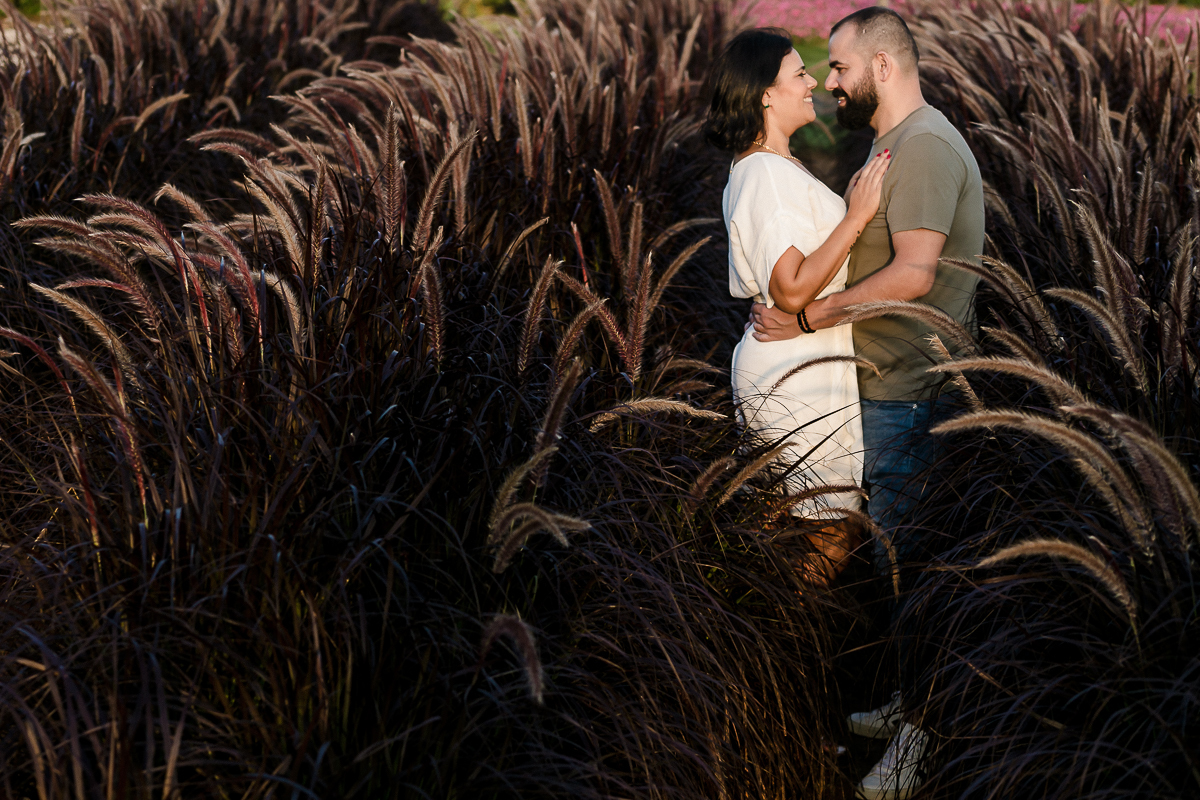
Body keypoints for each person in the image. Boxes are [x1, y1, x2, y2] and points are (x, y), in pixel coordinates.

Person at [750, 8, 985, 800]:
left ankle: (923, 735)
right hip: (882, 385)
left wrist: (807, 318)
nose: (832, 81)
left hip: (910, 390)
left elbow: (916, 273)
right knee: (892, 559)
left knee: (911, 565)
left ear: (883, 66)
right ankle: (908, 702)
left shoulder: (923, 147)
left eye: (842, 66)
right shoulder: (894, 143)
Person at [703, 28, 891, 586]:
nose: (813, 82)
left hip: (801, 362)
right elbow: (789, 290)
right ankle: (785, 627)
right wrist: (856, 216)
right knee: (829, 531)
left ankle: (776, 619)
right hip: (795, 373)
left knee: (803, 526)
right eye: (799, 73)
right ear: (766, 93)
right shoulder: (765, 173)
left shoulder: (772, 167)